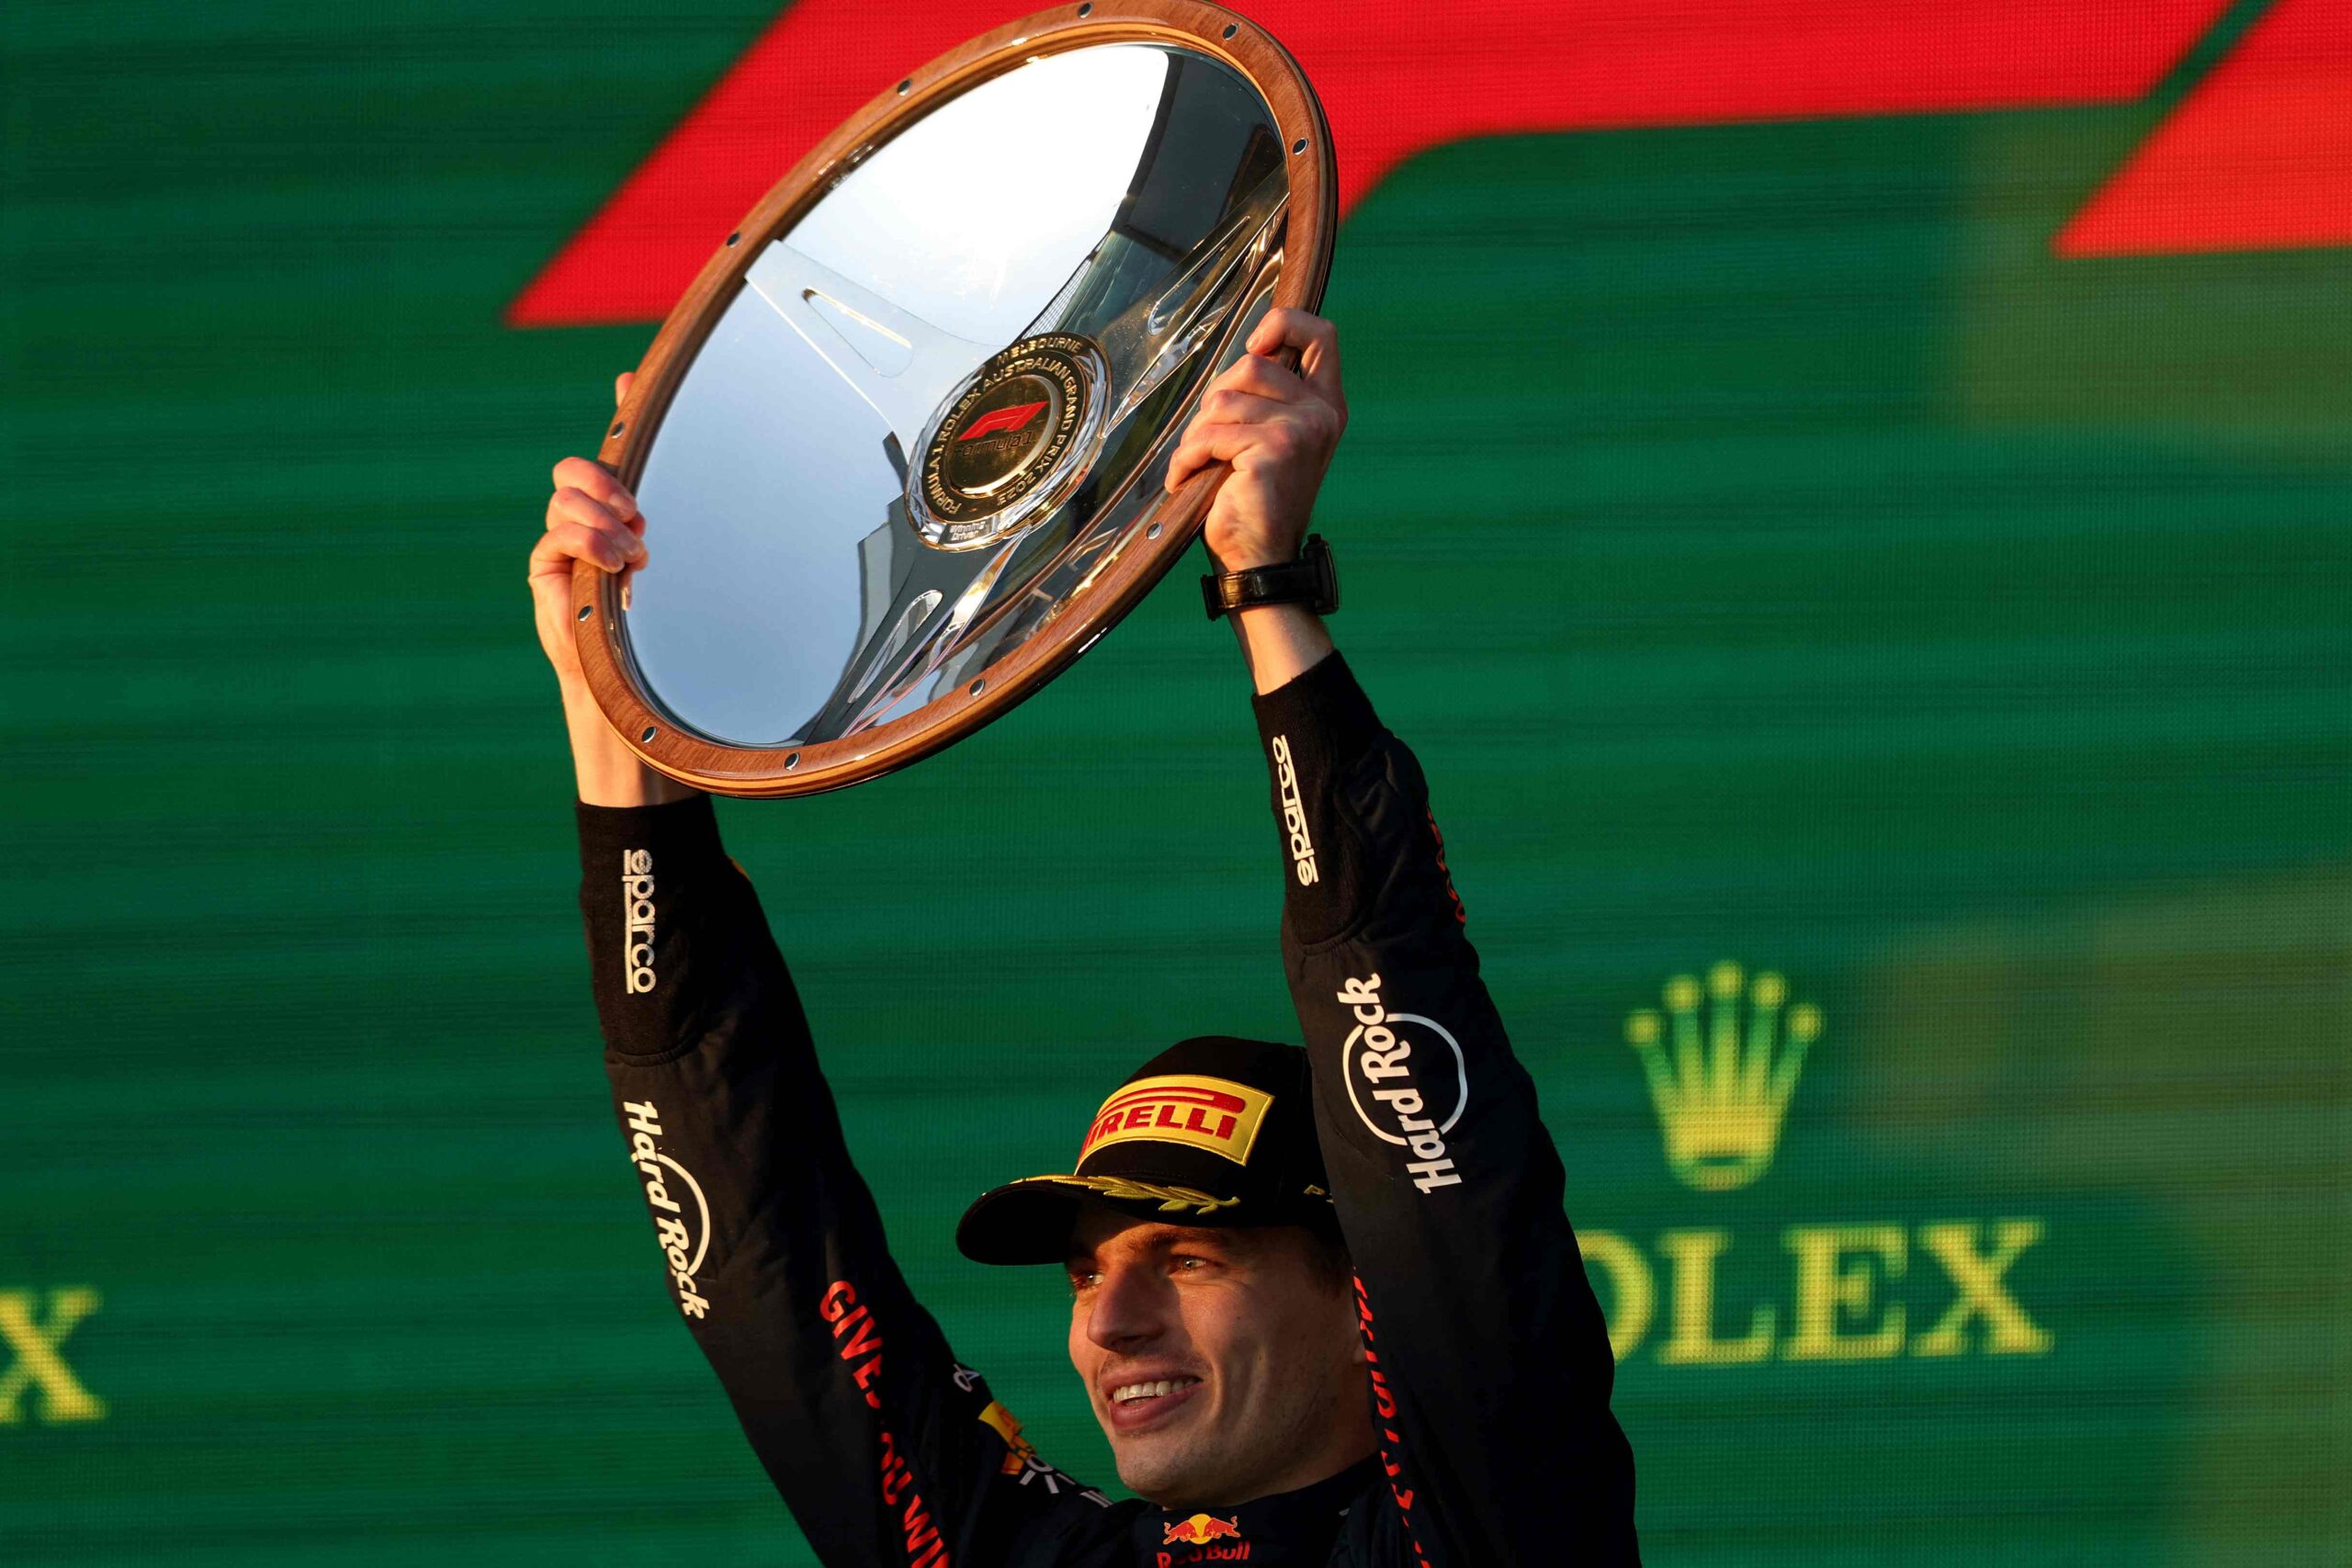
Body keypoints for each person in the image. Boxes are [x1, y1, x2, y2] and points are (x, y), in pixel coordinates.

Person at [530, 310, 1640, 1565]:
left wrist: (1263, 580)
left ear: (1363, 1302)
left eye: (1191, 1256)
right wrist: (621, 703)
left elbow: (1417, 1100)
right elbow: (762, 1262)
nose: (1113, 1324)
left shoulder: (1493, 1525)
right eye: (1083, 1270)